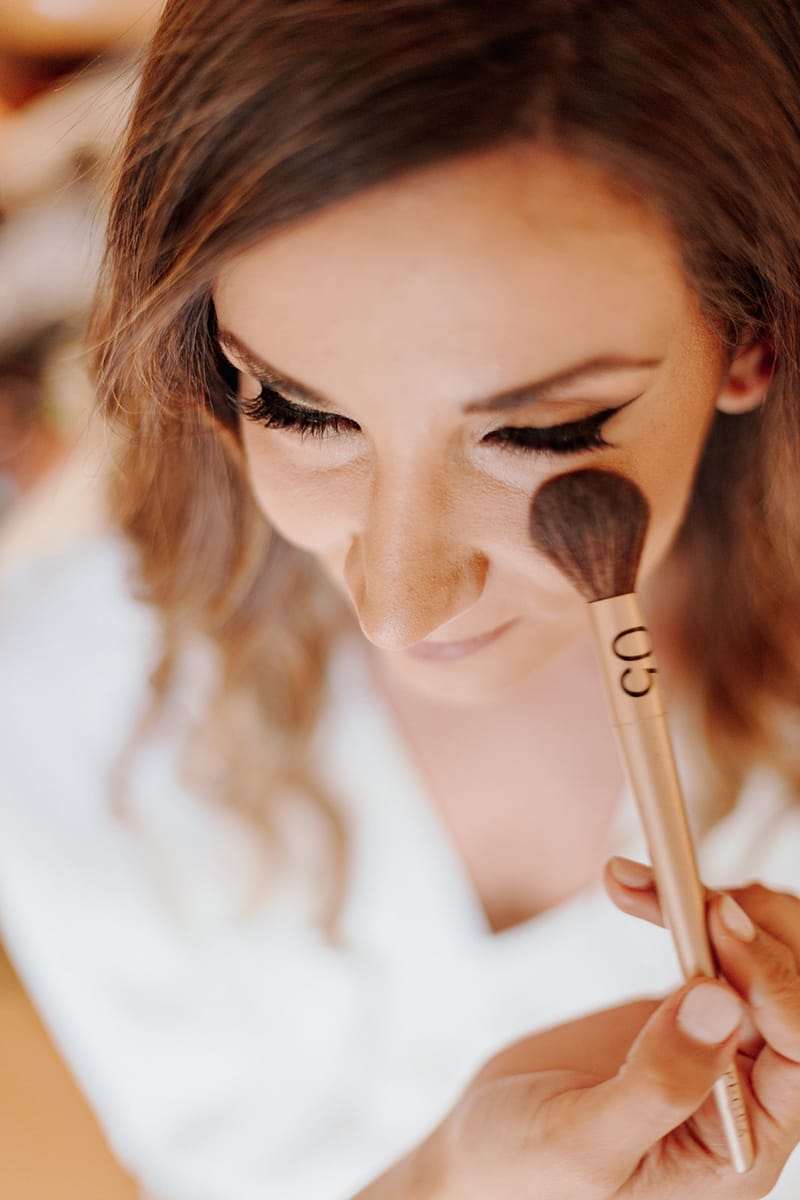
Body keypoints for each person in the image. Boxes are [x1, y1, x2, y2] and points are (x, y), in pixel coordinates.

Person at [1, 0, 799, 1196]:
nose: (396, 601)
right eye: (298, 409)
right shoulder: (66, 701)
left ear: (751, 339)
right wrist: (444, 1181)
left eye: (537, 431)